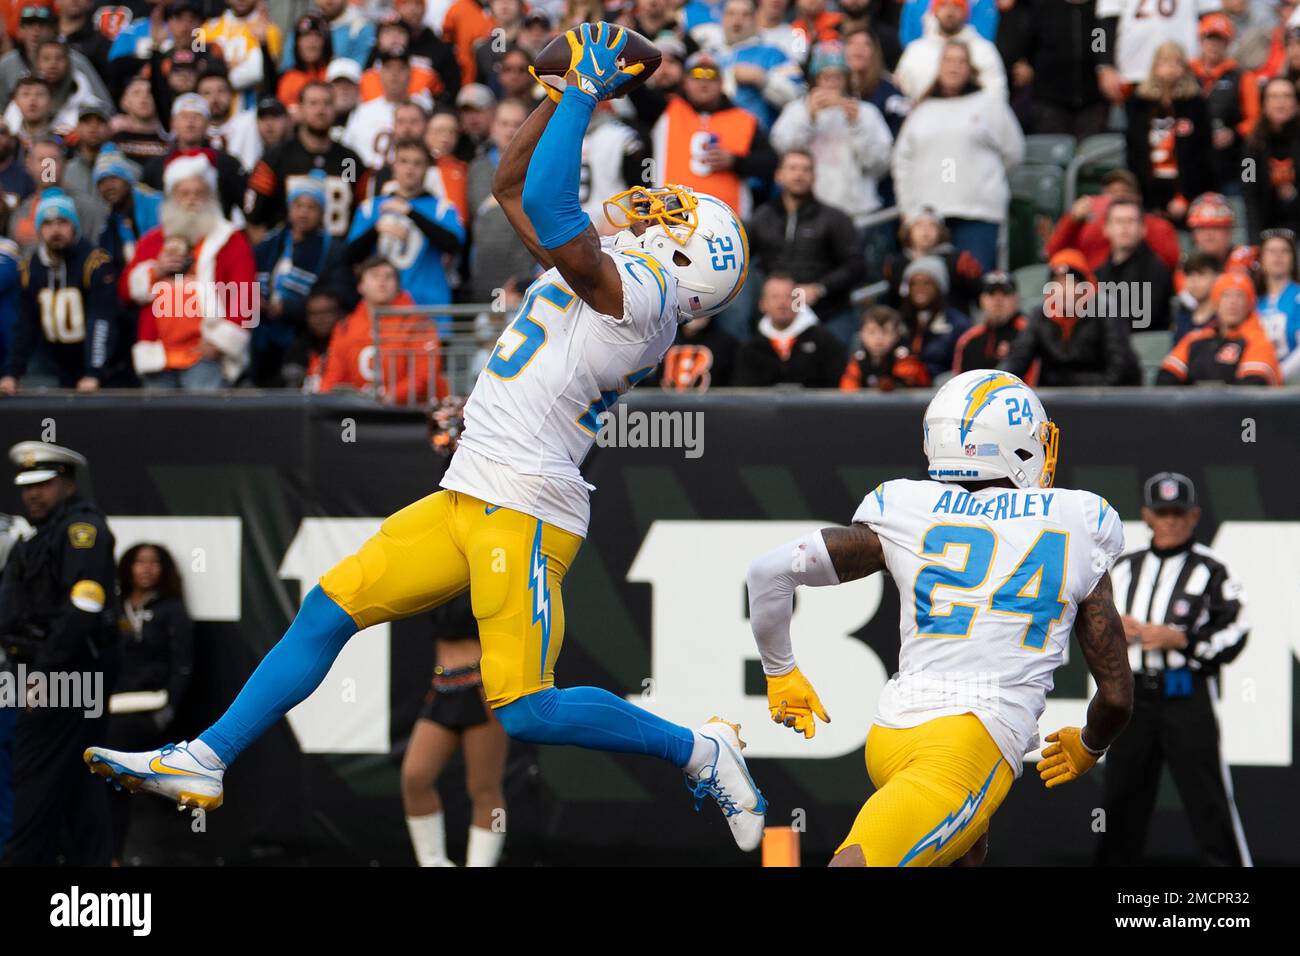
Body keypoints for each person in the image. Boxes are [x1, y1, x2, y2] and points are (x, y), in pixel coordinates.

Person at [86, 24, 767, 854]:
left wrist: (586, 91)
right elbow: (514, 190)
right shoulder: (626, 272)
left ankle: (700, 747)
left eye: (675, 216)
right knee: (327, 611)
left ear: (684, 259)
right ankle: (209, 755)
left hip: (525, 507)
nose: (659, 207)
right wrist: (555, 99)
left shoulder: (644, 299)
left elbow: (552, 209)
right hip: (471, 489)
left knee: (526, 707)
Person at [743, 369, 1134, 866]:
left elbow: (769, 573)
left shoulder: (906, 505)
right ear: (1018, 447)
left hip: (892, 732)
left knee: (963, 856)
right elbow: (1118, 697)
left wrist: (781, 670)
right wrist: (1090, 743)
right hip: (968, 744)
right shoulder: (1079, 520)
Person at [1100, 472, 1252, 866]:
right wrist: (1116, 628)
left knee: (1209, 798)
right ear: (1147, 515)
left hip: (1185, 692)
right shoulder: (1123, 567)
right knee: (1121, 797)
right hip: (1130, 696)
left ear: (1194, 516)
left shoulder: (1212, 568)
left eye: (1178, 513)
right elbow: (1089, 620)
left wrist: (1183, 640)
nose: (1170, 521)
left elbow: (1235, 629)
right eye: (1162, 512)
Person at [0, 441, 119, 866]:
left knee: (34, 778)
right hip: (35, 671)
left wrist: (42, 674)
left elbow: (83, 607)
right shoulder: (34, 540)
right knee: (79, 780)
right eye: (27, 486)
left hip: (60, 675)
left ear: (67, 485)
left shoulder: (80, 531)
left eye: (45, 484)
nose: (33, 494)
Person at [403, 410, 508, 867]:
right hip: (443, 682)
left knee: (484, 788)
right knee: (415, 776)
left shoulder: (497, 540)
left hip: (484, 681)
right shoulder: (439, 541)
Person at [124, 149, 257, 388]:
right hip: (158, 358)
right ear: (172, 197)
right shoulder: (152, 242)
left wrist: (221, 342)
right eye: (184, 193)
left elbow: (246, 297)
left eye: (199, 193)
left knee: (206, 425)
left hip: (205, 358)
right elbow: (125, 290)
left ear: (211, 197)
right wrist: (155, 271)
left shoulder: (230, 240)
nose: (191, 200)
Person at [892, 39, 1023, 271]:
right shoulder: (921, 110)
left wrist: (984, 183)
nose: (954, 67)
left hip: (978, 215)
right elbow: (902, 162)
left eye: (961, 61)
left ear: (971, 69)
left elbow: (1013, 152)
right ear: (939, 66)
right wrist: (907, 208)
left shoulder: (989, 105)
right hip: (928, 218)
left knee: (974, 283)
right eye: (949, 60)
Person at [104, 542, 193, 864]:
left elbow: (184, 663)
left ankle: (136, 854)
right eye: (139, 561)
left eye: (154, 562)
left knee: (124, 781)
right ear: (127, 567)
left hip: (148, 712)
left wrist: (166, 712)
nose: (146, 568)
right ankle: (110, 854)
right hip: (110, 708)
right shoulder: (113, 607)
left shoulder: (172, 610)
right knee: (104, 783)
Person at [0, 189, 116, 394]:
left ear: (74, 227)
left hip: (106, 369)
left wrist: (94, 372)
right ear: (39, 230)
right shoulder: (31, 268)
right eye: (48, 224)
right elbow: (25, 325)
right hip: (57, 364)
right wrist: (11, 373)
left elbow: (101, 320)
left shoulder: (94, 263)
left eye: (63, 223)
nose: (56, 230)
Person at [745, 149, 866, 343]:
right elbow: (742, 258)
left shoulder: (834, 218)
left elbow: (856, 265)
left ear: (814, 177)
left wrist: (820, 288)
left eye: (806, 169)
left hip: (827, 313)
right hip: (776, 316)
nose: (799, 174)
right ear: (778, 175)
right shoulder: (762, 217)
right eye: (793, 168)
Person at [1001, 249, 1141, 386]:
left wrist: (1068, 382)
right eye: (1056, 283)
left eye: (1069, 283)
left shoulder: (1106, 311)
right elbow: (1018, 360)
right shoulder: (1040, 315)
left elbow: (1120, 371)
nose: (1062, 290)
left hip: (1107, 399)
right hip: (1058, 400)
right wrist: (998, 384)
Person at [1124, 40, 1215, 224]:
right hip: (1148, 193)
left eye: (1176, 63)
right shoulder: (1139, 102)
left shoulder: (1195, 103)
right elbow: (1134, 150)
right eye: (1165, 62)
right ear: (1155, 66)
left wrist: (1186, 196)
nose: (1171, 68)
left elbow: (1203, 154)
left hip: (1187, 193)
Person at [1157, 270, 1282, 384]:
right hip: (1193, 407)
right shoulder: (1196, 338)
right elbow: (1165, 377)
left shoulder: (1259, 341)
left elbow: (1253, 388)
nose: (1233, 302)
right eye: (1226, 295)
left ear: (1249, 304)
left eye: (1240, 295)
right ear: (1216, 303)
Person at [733, 273, 847, 387]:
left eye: (788, 296)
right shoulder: (751, 348)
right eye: (775, 297)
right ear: (762, 304)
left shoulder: (824, 342)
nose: (782, 302)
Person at [895, 0, 1007, 100]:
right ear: (934, 11)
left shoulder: (984, 50)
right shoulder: (915, 51)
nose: (950, 12)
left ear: (966, 13)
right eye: (943, 5)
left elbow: (997, 96)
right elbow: (901, 92)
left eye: (957, 5)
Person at [1094, 197, 1175, 331]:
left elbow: (1142, 320)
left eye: (1131, 221)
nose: (1125, 227)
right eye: (1119, 221)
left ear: (1143, 229)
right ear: (1106, 229)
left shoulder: (1157, 271)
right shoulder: (1098, 274)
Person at [952, 269, 1031, 376]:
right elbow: (959, 383)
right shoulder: (968, 340)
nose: (998, 300)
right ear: (981, 300)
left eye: (1005, 293)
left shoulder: (1029, 333)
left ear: (1016, 299)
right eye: (991, 293)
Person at [838, 304, 931, 390]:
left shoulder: (905, 358)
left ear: (896, 335)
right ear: (861, 334)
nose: (878, 338)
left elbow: (910, 387)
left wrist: (892, 386)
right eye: (872, 332)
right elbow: (848, 392)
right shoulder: (859, 359)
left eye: (886, 332)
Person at [1255, 227, 1300, 378]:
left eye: (1285, 251)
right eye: (1271, 251)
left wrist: (1277, 375)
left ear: (1293, 259)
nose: (1278, 256)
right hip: (1260, 381)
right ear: (1261, 259)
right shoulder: (1254, 302)